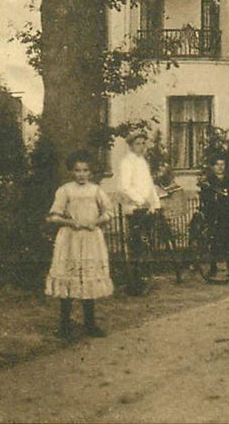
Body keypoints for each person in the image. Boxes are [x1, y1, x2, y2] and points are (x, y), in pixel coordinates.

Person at [45, 150, 113, 340]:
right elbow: (53, 216)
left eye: (85, 170)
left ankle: (90, 324)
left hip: (91, 238)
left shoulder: (96, 190)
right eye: (77, 170)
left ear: (90, 172)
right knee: (70, 277)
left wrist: (97, 221)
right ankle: (64, 325)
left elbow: (109, 212)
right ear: (71, 172)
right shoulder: (65, 190)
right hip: (70, 239)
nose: (81, 174)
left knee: (88, 278)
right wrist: (70, 223)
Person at [117, 131, 161, 293]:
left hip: (147, 209)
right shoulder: (127, 162)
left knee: (147, 244)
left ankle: (145, 279)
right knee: (136, 245)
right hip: (135, 209)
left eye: (143, 143)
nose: (141, 147)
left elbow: (149, 185)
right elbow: (124, 187)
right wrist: (140, 201)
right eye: (138, 143)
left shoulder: (142, 161)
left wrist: (155, 203)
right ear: (130, 145)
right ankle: (134, 282)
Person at [199, 156, 229, 277]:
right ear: (213, 167)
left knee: (228, 242)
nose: (220, 167)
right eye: (217, 165)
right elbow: (204, 198)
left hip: (227, 215)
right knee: (214, 241)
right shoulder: (208, 181)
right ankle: (213, 268)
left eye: (222, 165)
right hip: (213, 215)